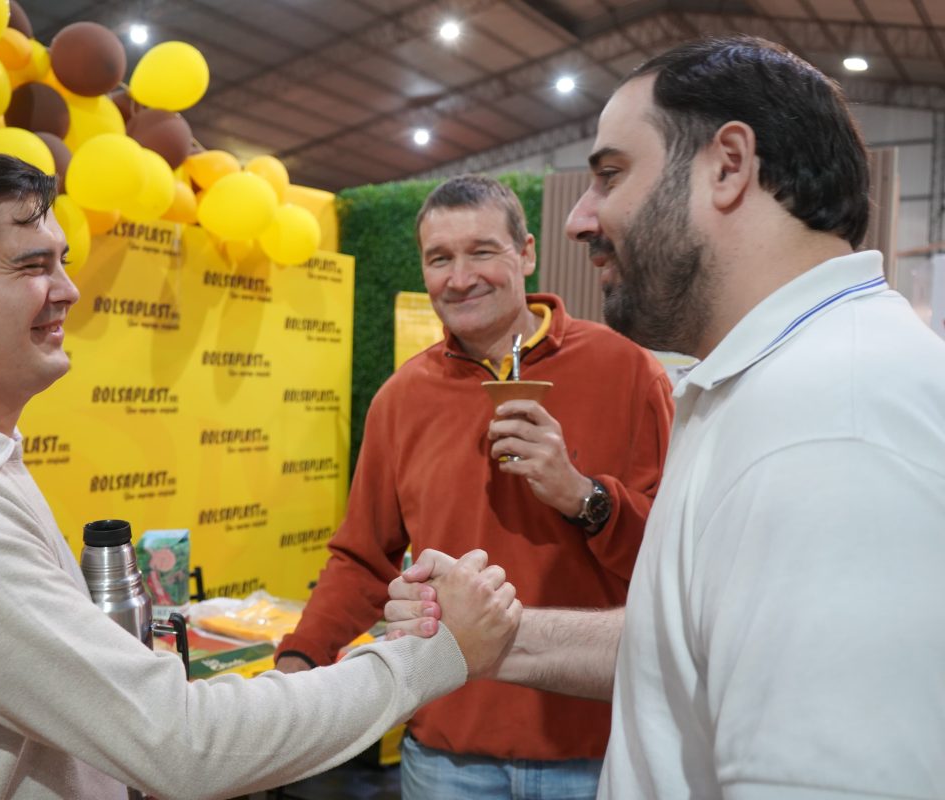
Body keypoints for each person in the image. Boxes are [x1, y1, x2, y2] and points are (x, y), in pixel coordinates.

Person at [0, 147, 523, 800]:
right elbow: (183, 742)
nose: (68, 290)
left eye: (62, 261)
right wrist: (430, 657)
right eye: (32, 266)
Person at [387, 36, 945, 800]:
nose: (581, 218)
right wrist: (489, 637)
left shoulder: (835, 425)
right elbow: (695, 646)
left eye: (611, 174)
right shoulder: (769, 384)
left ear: (728, 166)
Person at [275, 174, 674, 798]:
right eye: (440, 259)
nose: (460, 279)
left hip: (594, 752)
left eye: (482, 251)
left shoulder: (627, 370)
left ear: (527, 253)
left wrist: (582, 497)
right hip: (446, 757)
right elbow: (362, 560)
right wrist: (298, 661)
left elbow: (675, 561)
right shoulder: (401, 399)